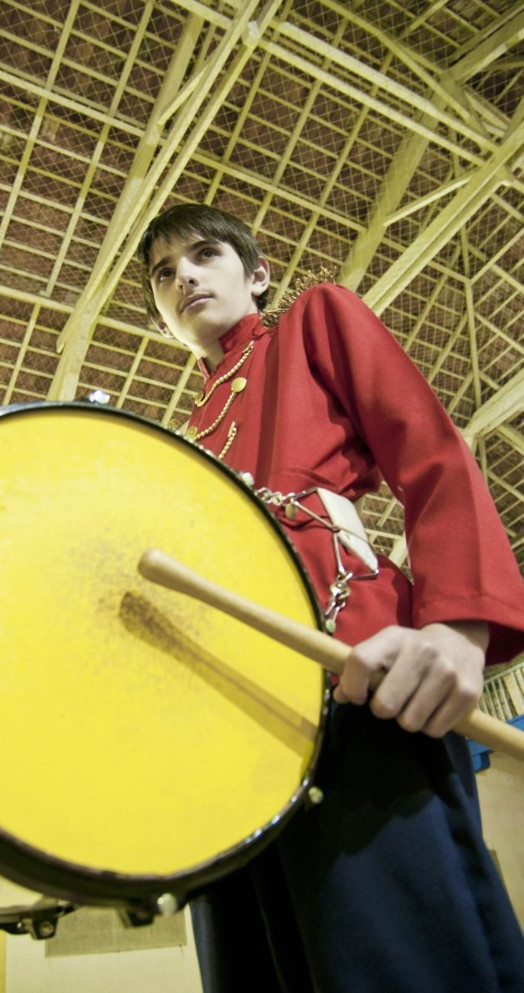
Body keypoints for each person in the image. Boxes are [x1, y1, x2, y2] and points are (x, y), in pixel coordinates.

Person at [137, 203, 524, 993]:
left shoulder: (311, 321)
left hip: (356, 683)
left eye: (204, 256)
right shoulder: (176, 442)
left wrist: (455, 629)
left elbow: (430, 450)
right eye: (163, 274)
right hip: (228, 740)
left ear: (257, 275)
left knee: (396, 964)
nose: (183, 278)